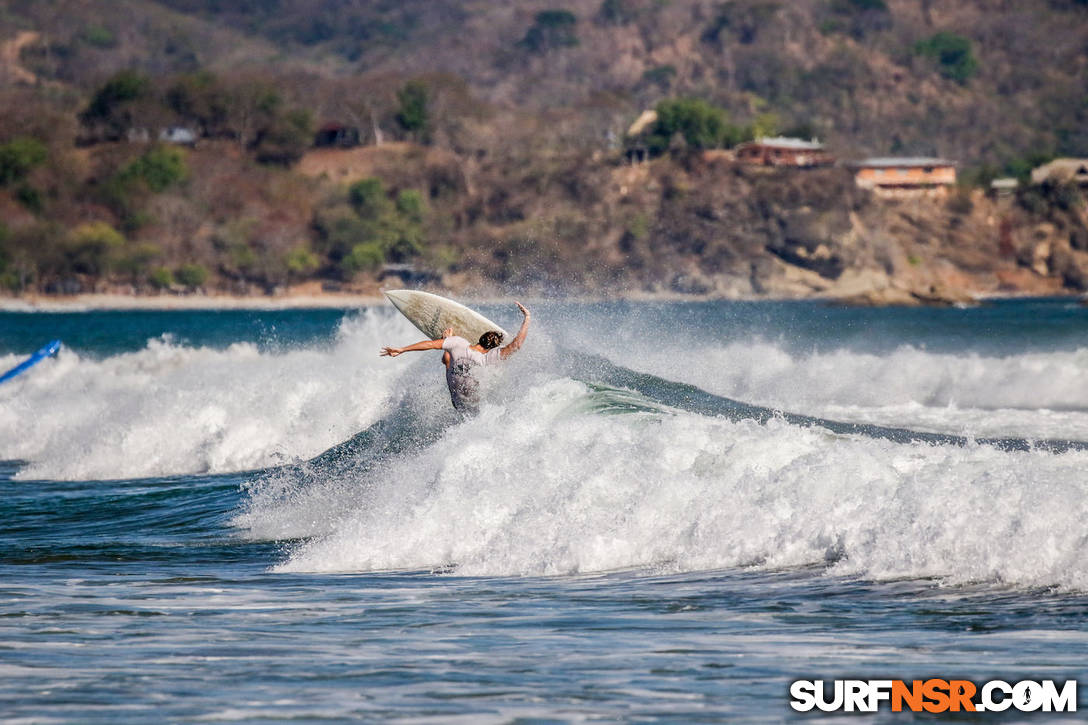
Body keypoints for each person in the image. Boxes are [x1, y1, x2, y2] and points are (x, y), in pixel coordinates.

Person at [380, 302, 530, 413]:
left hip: (457, 404)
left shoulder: (459, 343)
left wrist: (402, 349)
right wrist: (527, 318)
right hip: (475, 408)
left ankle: (446, 344)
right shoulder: (490, 358)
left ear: (479, 338)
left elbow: (429, 344)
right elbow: (516, 345)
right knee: (450, 362)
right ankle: (446, 347)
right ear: (491, 348)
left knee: (447, 361)